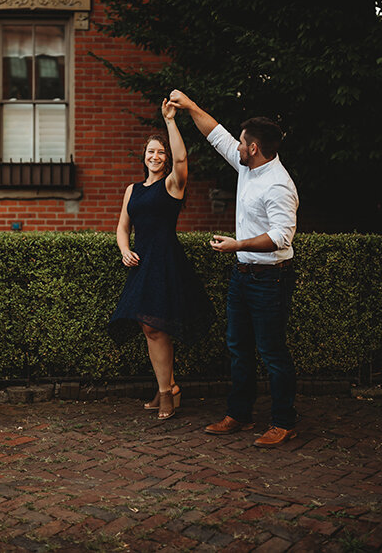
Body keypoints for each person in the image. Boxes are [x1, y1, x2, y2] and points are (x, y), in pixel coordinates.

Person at [168, 89, 300, 448]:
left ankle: (283, 422)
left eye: (242, 143)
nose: (237, 146)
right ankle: (239, 415)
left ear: (253, 148)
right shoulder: (247, 165)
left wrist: (237, 244)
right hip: (243, 276)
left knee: (272, 351)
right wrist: (190, 106)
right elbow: (216, 134)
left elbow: (281, 237)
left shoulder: (278, 184)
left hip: (270, 278)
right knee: (238, 347)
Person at [106, 98, 216, 420]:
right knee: (147, 327)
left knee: (158, 329)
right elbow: (123, 227)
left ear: (166, 160)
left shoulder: (172, 185)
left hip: (166, 262)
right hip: (141, 264)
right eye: (151, 152)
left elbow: (183, 158)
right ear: (144, 156)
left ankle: (167, 393)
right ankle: (166, 387)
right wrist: (124, 249)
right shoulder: (133, 190)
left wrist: (170, 121)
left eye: (161, 153)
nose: (155, 156)